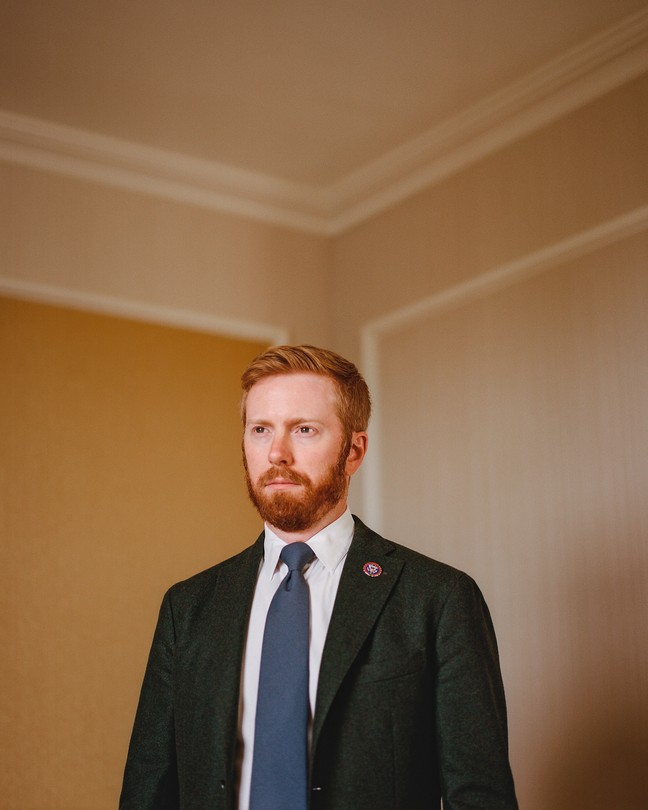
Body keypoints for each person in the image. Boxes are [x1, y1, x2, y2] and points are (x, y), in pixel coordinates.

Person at [120, 344, 518, 809]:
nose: (276, 452)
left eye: (304, 429)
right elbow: (148, 790)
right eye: (260, 429)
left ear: (354, 450)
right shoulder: (187, 608)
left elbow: (481, 794)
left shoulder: (439, 599)